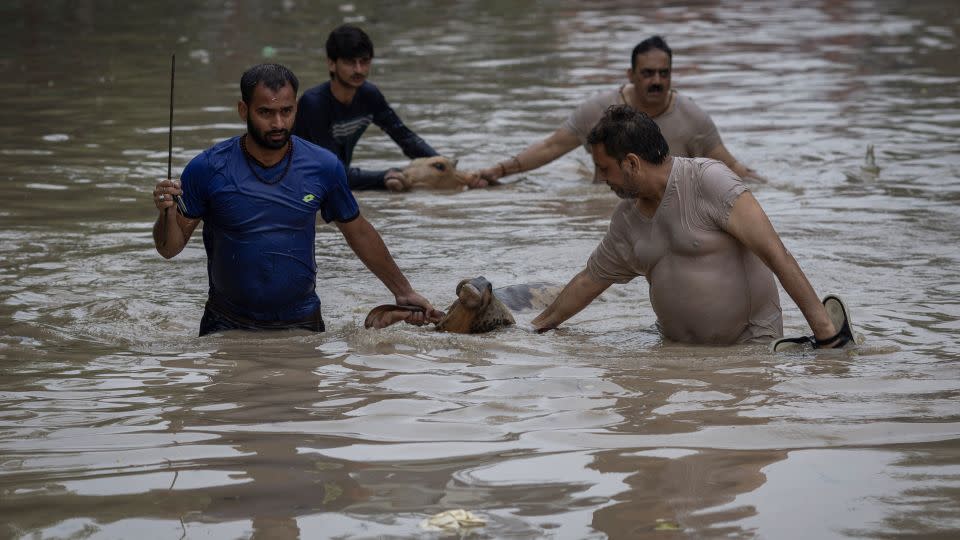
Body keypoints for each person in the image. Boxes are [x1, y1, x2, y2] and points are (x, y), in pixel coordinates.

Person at [152, 63, 442, 336]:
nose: (278, 122)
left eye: (286, 111)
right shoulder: (207, 168)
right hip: (226, 325)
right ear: (244, 110)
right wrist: (165, 212)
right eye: (266, 112)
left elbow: (358, 232)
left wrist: (402, 291)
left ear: (297, 108)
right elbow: (169, 248)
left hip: (302, 323)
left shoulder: (323, 166)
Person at [531, 105, 849, 347]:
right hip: (675, 352)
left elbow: (777, 255)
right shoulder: (626, 220)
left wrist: (826, 335)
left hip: (749, 351)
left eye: (604, 169)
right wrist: (534, 330)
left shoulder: (710, 180)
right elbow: (590, 279)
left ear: (631, 163)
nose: (601, 180)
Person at [476, 35, 766, 186]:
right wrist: (499, 170)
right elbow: (551, 146)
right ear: (631, 74)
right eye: (648, 73)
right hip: (606, 201)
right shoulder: (599, 110)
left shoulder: (693, 118)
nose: (657, 81)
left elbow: (732, 167)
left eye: (664, 73)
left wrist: (783, 192)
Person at [294, 24, 445, 192]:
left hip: (334, 181)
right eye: (350, 62)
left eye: (364, 62)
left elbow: (406, 138)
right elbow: (332, 171)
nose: (359, 70)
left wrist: (445, 167)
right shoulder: (314, 104)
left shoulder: (369, 95)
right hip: (299, 186)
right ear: (331, 64)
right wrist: (386, 176)